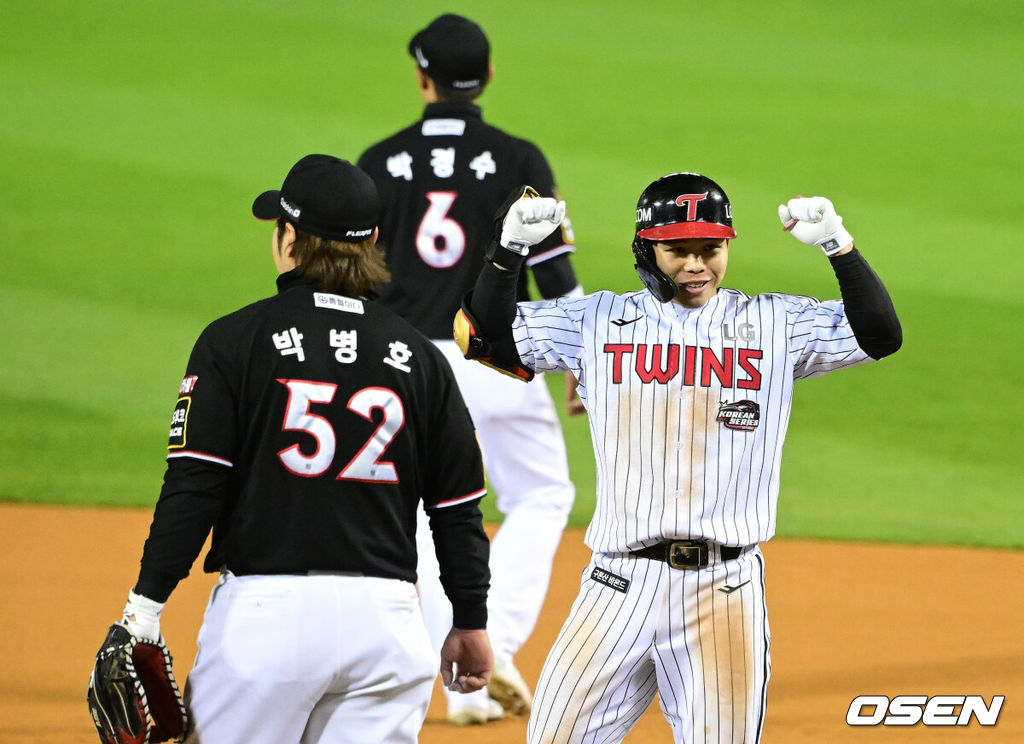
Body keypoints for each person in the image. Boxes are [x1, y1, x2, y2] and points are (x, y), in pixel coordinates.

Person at [454, 173, 902, 743]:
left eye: (710, 249)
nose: (696, 265)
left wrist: (839, 247)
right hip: (616, 587)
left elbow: (880, 334)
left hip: (725, 591)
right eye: (678, 250)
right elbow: (481, 335)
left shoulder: (774, 323)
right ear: (647, 249)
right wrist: (508, 251)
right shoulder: (595, 322)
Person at [105, 154, 493, 743]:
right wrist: (470, 618)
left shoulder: (235, 339)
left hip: (266, 624)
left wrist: (145, 606)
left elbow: (195, 486)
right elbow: (457, 508)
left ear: (290, 240)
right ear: (372, 245)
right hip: (388, 627)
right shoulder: (420, 358)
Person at [357, 13, 584, 725]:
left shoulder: (379, 159)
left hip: (402, 363)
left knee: (425, 512)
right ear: (487, 76)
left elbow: (354, 277)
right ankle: (500, 648)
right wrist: (579, 354)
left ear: (420, 76)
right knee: (544, 492)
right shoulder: (517, 158)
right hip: (496, 356)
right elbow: (551, 267)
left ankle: (462, 679)